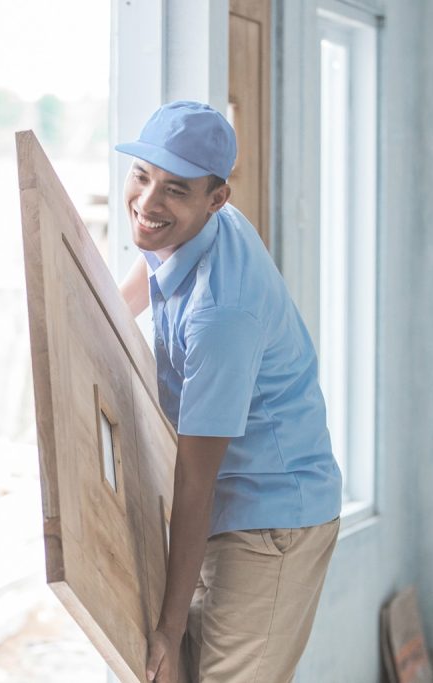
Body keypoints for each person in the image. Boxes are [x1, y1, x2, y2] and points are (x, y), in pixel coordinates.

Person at [115, 100, 342, 683]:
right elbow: (154, 248)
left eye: (175, 189)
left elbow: (197, 480)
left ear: (217, 199)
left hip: (272, 521)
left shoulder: (220, 316)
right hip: (225, 500)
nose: (148, 202)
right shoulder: (204, 226)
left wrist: (167, 630)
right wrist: (107, 315)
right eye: (142, 176)